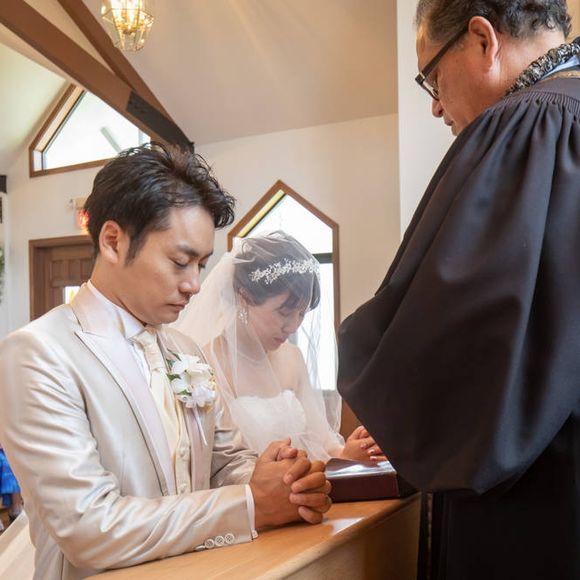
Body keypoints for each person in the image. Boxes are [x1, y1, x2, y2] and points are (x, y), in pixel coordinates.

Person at [0, 144, 331, 580]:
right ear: (113, 242)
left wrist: (283, 479)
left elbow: (225, 462)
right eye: (180, 262)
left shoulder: (185, 350)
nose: (195, 285)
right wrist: (251, 503)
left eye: (201, 265)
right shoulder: (37, 353)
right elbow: (88, 527)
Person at [337, 2, 580, 580]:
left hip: (540, 504)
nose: (436, 105)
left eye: (432, 77)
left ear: (482, 41)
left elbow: (450, 337)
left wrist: (367, 358)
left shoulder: (527, 124)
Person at [177, 231, 385, 462]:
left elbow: (322, 441)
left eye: (301, 314)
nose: (293, 326)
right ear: (244, 298)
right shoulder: (206, 364)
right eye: (284, 313)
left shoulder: (292, 357)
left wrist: (348, 453)